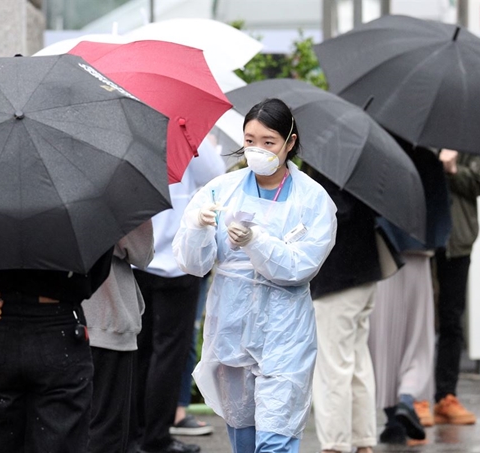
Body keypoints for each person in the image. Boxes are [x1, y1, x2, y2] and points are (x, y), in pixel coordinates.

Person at [172, 98, 337, 453]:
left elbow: (299, 266)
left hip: (284, 335)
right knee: (243, 436)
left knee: (276, 437)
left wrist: (256, 241)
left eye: (268, 142)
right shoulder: (221, 189)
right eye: (249, 141)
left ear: (289, 143)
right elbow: (193, 264)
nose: (257, 150)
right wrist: (197, 228)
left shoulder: (312, 199)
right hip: (231, 331)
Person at [0, 248, 113, 453]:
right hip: (56, 319)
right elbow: (100, 260)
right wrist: (73, 290)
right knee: (61, 438)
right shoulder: (77, 216)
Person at [133, 137, 225, 453]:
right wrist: (201, 141)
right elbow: (216, 172)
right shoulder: (186, 131)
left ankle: (134, 434)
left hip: (137, 255)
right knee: (169, 353)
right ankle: (155, 438)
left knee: (137, 350)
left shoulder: (132, 124)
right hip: (178, 260)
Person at [368, 142, 452, 445]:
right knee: (416, 339)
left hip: (382, 258)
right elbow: (443, 214)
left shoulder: (376, 152)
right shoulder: (428, 157)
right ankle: (407, 398)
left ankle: (392, 419)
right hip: (417, 257)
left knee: (384, 340)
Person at [307, 167, 394, 453]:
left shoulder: (329, 166)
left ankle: (335, 444)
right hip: (364, 271)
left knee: (334, 366)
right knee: (356, 362)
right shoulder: (364, 163)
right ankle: (363, 441)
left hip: (338, 276)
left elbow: (333, 212)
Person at [82, 220, 154, 453]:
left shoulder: (25, 190)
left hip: (47, 319)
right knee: (105, 429)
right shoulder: (117, 187)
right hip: (105, 317)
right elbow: (141, 253)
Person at [433, 149, 480, 425]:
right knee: (417, 323)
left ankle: (446, 395)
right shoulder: (416, 135)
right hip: (424, 242)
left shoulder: (469, 140)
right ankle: (412, 397)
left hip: (458, 242)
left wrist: (453, 169)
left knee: (451, 320)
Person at [170, 271, 214, 437]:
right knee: (185, 338)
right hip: (182, 267)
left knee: (184, 338)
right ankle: (177, 413)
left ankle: (177, 411)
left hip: (191, 268)